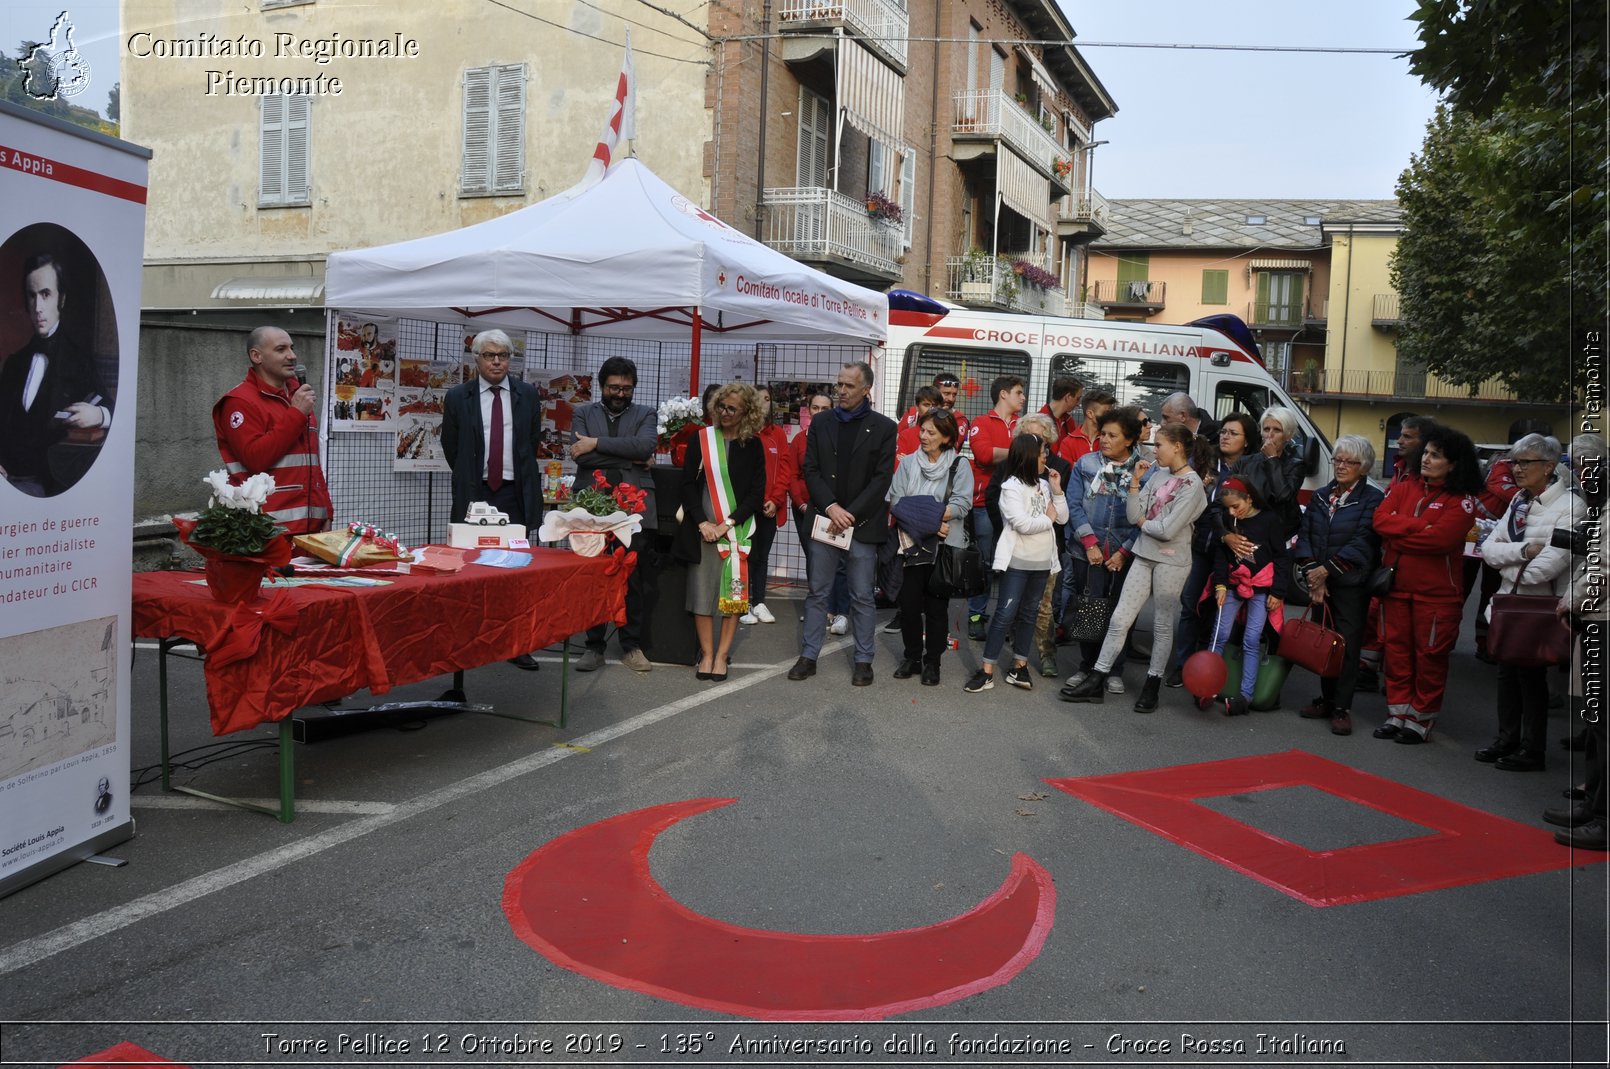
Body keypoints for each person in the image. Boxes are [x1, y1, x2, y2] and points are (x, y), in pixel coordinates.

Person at [1061, 421, 1208, 710]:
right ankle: (1095, 675)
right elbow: (1133, 514)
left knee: (1162, 624)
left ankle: (1149, 685)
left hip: (1163, 559)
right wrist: (1136, 485)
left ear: (1177, 447)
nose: (1154, 451)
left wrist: (1141, 525)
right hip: (1133, 553)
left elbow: (1165, 528)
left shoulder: (1192, 485)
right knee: (1114, 617)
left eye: (1159, 445)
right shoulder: (1150, 473)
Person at [1473, 433, 1583, 772]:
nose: (1517, 469)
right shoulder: (1519, 501)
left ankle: (1532, 749)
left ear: (1549, 467)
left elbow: (1550, 565)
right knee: (1506, 674)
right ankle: (1507, 739)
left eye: (1525, 463)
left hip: (1540, 608)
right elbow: (1489, 550)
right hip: (1509, 603)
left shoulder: (1572, 507)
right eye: (1514, 463)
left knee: (1532, 680)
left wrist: (1511, 563)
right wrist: (1521, 553)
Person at [1371, 425, 1483, 743]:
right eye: (1427, 453)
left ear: (1453, 464)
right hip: (1396, 589)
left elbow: (1440, 540)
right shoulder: (1405, 486)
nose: (1427, 459)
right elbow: (1380, 521)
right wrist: (1419, 526)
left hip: (1436, 596)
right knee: (1397, 653)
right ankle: (1398, 714)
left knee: (1430, 658)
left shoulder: (1462, 501)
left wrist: (1401, 533)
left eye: (1436, 455)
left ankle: (1420, 720)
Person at [789, 361, 898, 686]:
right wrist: (832, 508)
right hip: (825, 519)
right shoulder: (821, 423)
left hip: (862, 523)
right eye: (839, 384)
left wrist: (849, 513)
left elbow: (881, 479)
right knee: (818, 592)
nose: (841, 391)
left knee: (862, 594)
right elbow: (811, 471)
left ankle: (863, 660)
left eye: (848, 385)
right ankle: (809, 656)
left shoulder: (884, 427)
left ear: (866, 390)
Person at [442, 330, 545, 670]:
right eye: (489, 355)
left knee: (515, 568)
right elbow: (451, 446)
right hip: (477, 491)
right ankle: (471, 640)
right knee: (472, 566)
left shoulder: (528, 395)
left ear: (510, 359)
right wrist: (470, 475)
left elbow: (532, 440)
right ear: (476, 359)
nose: (497, 361)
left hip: (514, 492)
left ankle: (516, 643)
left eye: (503, 355)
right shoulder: (459, 396)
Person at [672, 382, 767, 683]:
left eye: (732, 409)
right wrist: (702, 523)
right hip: (703, 529)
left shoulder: (752, 445)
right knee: (701, 592)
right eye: (721, 406)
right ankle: (707, 653)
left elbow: (756, 492)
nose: (724, 413)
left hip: (735, 531)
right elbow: (687, 484)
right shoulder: (702, 439)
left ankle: (723, 655)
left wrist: (727, 524)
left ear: (746, 413)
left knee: (733, 596)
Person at [569, 355, 658, 673]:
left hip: (633, 511)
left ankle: (631, 646)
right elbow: (583, 461)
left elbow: (645, 448)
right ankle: (593, 646)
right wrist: (627, 456)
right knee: (594, 578)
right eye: (614, 388)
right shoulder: (582, 413)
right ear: (601, 385)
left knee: (632, 579)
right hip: (591, 508)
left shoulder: (646, 412)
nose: (620, 393)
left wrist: (596, 444)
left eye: (626, 388)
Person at [1293, 435, 1385, 736]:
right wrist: (1313, 574)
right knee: (1324, 643)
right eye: (1338, 460)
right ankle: (1326, 699)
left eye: (1350, 462)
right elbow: (1305, 535)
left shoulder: (1373, 498)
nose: (1341, 466)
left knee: (1346, 647)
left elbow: (1364, 542)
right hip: (1321, 584)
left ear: (1364, 467)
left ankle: (1342, 707)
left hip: (1349, 584)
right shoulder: (1321, 495)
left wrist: (1326, 572)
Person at [2, 252, 113, 497]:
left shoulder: (80, 360)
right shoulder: (14, 364)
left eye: (45, 294)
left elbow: (114, 409)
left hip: (54, 484)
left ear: (60, 299)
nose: (38, 307)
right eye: (32, 296)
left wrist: (98, 414)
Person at [965, 433, 1067, 693]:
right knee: (1004, 614)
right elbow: (1022, 524)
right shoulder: (1010, 487)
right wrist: (1048, 519)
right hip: (1018, 563)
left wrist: (1057, 492)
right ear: (1029, 456)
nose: (1047, 457)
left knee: (1030, 614)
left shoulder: (1044, 485)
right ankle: (986, 670)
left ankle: (1018, 666)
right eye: (1043, 453)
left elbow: (1063, 517)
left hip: (1043, 563)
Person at [1166, 412, 1261, 688]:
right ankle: (1183, 665)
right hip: (1200, 545)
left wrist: (1229, 534)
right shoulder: (1203, 462)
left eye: (1233, 433)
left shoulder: (1248, 470)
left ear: (1246, 441)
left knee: (1221, 611)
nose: (1225, 436)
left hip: (1233, 552)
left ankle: (1213, 669)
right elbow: (1201, 506)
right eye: (1224, 431)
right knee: (1189, 604)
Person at [212, 325, 331, 536]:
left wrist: (325, 511)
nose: (292, 356)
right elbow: (255, 458)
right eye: (281, 349)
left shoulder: (298, 396)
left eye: (292, 348)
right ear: (256, 356)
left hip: (311, 531)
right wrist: (296, 414)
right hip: (265, 531)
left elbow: (312, 462)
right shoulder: (239, 401)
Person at [1548, 433, 1607, 848]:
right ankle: (1593, 802)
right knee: (1596, 723)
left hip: (1603, 618)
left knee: (1604, 724)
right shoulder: (1601, 509)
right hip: (1596, 618)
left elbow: (1602, 572)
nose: (1584, 477)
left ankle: (1603, 819)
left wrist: (1572, 602)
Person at [886, 408, 973, 686]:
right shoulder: (908, 463)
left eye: (931, 432)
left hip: (944, 549)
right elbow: (897, 502)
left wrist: (921, 515)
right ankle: (911, 657)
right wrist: (931, 523)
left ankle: (932, 662)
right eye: (922, 430)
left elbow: (961, 504)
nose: (923, 436)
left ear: (947, 437)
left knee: (937, 609)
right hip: (911, 544)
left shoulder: (960, 465)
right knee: (909, 606)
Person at [1063, 406, 1145, 693]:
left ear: (1130, 440)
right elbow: (1073, 505)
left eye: (1113, 435)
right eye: (1103, 434)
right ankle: (1087, 667)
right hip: (1088, 551)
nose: (1105, 440)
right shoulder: (1085, 464)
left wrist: (1124, 552)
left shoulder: (1145, 471)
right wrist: (1089, 543)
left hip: (1126, 553)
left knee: (1121, 613)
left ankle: (1113, 668)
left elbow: (1147, 516)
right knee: (1090, 607)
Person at [1202, 476, 1288, 717]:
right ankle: (1207, 686)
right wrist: (1219, 585)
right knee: (1219, 634)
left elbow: (1281, 557)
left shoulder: (1269, 520)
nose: (1232, 512)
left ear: (1249, 498)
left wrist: (1278, 592)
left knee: (1252, 639)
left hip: (1261, 588)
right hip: (1231, 585)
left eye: (1236, 506)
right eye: (1228, 508)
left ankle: (1246, 696)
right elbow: (1221, 554)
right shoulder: (1229, 519)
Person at [964, 375, 1026, 640]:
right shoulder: (981, 422)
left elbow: (1034, 455)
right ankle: (976, 615)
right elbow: (984, 455)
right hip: (985, 505)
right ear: (1003, 394)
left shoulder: (1023, 425)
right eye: (1019, 393)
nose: (1023, 398)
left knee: (1014, 564)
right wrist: (1020, 448)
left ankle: (1007, 619)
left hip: (1019, 505)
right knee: (986, 562)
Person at [1012, 413, 1073, 678]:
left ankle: (1047, 654)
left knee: (1044, 606)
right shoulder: (1012, 466)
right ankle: (1017, 653)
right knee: (1017, 603)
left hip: (1048, 548)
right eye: (1030, 436)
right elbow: (995, 501)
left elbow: (1061, 514)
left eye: (1041, 438)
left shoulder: (1059, 467)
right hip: (1018, 547)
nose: (1038, 444)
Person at [788, 390, 851, 635]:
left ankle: (840, 611)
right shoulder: (799, 440)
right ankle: (821, 607)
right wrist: (800, 502)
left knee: (840, 563)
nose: (820, 413)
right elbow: (793, 475)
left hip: (833, 508)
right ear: (808, 411)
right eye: (816, 408)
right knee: (815, 560)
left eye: (825, 408)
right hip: (805, 508)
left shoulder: (839, 438)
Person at [739, 385, 790, 628]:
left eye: (767, 399)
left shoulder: (777, 434)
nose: (763, 403)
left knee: (761, 557)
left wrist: (775, 500)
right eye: (758, 399)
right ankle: (742, 603)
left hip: (769, 507)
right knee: (744, 555)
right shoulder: (742, 432)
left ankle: (759, 600)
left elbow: (784, 470)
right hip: (747, 507)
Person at [1232, 405, 1305, 541]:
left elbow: (1283, 496)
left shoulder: (1295, 465)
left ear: (1288, 436)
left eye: (1277, 430)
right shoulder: (1244, 462)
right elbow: (1226, 498)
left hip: (1280, 537)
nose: (1270, 435)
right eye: (1266, 429)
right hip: (1247, 534)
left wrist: (1272, 460)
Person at [1055, 387, 1112, 465]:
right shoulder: (1068, 443)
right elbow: (1067, 473)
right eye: (1106, 413)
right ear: (1090, 414)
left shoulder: (1111, 440)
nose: (1111, 416)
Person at [1388, 415, 1436, 486]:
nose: (1399, 441)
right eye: (1401, 435)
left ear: (1424, 441)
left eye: (1407, 437)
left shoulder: (1427, 477)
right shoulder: (1399, 467)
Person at [896, 386, 942, 458]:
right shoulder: (905, 436)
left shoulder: (947, 434)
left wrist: (908, 460)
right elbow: (899, 466)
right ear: (917, 407)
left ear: (940, 407)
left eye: (935, 405)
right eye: (926, 405)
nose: (931, 409)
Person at [1039, 376, 1084, 442]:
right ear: (1068, 397)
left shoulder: (1069, 422)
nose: (1078, 404)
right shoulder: (1039, 421)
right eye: (1077, 399)